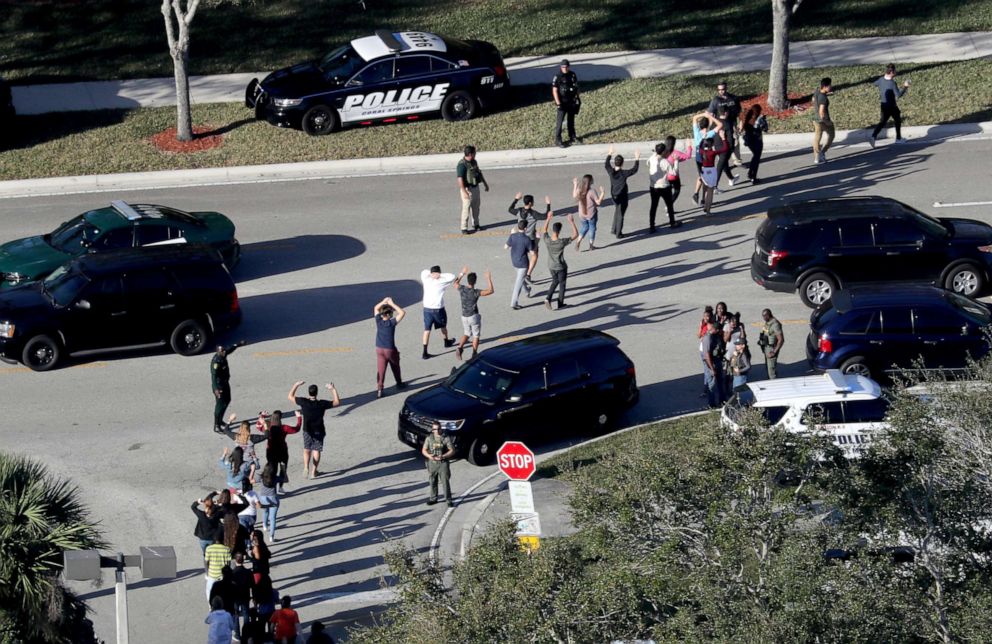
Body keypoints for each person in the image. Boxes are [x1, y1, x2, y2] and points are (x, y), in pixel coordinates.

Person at [288, 380, 341, 479]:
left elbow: (290, 396)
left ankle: (305, 467)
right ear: (317, 393)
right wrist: (332, 389)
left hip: (307, 430)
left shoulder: (304, 402)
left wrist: (296, 385)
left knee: (306, 449)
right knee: (316, 450)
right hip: (319, 430)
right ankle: (314, 471)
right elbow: (337, 402)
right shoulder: (322, 404)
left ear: (309, 392)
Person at [508, 193, 551, 282]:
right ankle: (528, 274)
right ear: (530, 203)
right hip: (530, 239)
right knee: (535, 255)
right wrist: (548, 204)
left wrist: (516, 199)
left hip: (520, 237)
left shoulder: (519, 211)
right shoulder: (533, 214)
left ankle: (522, 271)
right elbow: (545, 215)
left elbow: (510, 209)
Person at [420, 265, 460, 359]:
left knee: (427, 330)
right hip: (438, 309)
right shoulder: (442, 281)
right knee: (443, 326)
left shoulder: (426, 279)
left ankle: (424, 352)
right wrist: (440, 275)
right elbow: (452, 276)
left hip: (427, 309)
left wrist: (431, 274)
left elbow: (424, 271)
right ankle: (446, 341)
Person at [453, 270, 494, 361]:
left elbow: (455, 283)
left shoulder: (462, 289)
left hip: (464, 316)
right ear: (475, 281)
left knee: (466, 333)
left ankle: (460, 347)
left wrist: (462, 273)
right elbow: (491, 291)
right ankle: (474, 353)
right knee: (476, 335)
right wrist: (488, 278)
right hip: (473, 316)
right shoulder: (476, 292)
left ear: (468, 281)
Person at [705, 80, 743, 180]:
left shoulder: (734, 98)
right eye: (719, 90)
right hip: (719, 128)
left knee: (731, 147)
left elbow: (739, 112)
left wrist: (740, 123)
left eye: (723, 89)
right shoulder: (716, 100)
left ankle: (733, 166)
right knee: (723, 153)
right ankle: (722, 175)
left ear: (726, 88)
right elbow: (710, 113)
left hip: (731, 126)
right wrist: (709, 128)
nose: (721, 91)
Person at [542, 210, 578, 310]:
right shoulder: (561, 242)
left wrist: (548, 218)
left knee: (554, 281)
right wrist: (572, 221)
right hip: (561, 266)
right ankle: (560, 303)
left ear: (552, 230)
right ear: (559, 231)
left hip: (551, 266)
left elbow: (544, 230)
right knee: (562, 284)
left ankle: (548, 298)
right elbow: (575, 234)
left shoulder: (547, 240)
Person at [257, 410, 300, 494]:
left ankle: (271, 487)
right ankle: (280, 487)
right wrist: (299, 417)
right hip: (282, 452)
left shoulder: (268, 427)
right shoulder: (284, 428)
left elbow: (258, 426)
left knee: (272, 470)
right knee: (283, 469)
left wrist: (261, 416)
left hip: (270, 452)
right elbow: (296, 429)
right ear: (280, 418)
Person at [372, 296, 407, 398]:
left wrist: (383, 301)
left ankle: (379, 389)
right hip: (390, 349)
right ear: (389, 314)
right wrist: (392, 303)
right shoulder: (391, 323)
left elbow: (375, 308)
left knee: (381, 370)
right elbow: (402, 312)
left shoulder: (378, 321)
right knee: (395, 366)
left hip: (379, 348)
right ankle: (399, 383)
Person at [869, 63, 910, 147]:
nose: (896, 72)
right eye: (895, 70)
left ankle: (873, 136)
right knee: (897, 120)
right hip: (892, 106)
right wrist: (905, 87)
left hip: (883, 105)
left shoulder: (880, 80)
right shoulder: (892, 83)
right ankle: (898, 139)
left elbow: (874, 83)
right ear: (891, 72)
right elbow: (898, 95)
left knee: (882, 122)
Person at [605, 145, 640, 239]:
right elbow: (634, 170)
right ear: (622, 163)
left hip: (613, 196)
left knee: (617, 210)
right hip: (622, 197)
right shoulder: (624, 173)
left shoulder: (611, 172)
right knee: (621, 214)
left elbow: (606, 164)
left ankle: (613, 229)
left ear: (615, 163)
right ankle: (618, 233)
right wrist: (637, 158)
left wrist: (610, 153)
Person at [211, 340, 246, 433]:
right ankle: (216, 425)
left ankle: (220, 420)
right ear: (217, 351)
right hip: (219, 387)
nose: (224, 351)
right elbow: (213, 377)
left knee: (227, 401)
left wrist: (238, 344)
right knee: (220, 406)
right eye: (222, 351)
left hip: (225, 383)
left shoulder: (223, 354)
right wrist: (216, 389)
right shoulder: (216, 362)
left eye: (223, 350)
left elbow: (229, 350)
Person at [456, 145, 489, 234]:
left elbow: (479, 172)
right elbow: (460, 179)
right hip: (467, 189)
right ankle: (464, 228)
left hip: (475, 187)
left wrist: (485, 184)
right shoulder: (461, 165)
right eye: (474, 153)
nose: (475, 154)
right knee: (466, 209)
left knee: (476, 208)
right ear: (470, 154)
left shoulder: (474, 162)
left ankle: (476, 224)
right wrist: (464, 191)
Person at [422, 421, 456, 507]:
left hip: (442, 463)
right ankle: (433, 498)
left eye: (438, 429)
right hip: (432, 463)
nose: (437, 431)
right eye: (435, 429)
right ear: (432, 430)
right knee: (432, 481)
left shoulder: (445, 438)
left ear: (441, 428)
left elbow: (452, 450)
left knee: (445, 481)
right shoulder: (429, 438)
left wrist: (443, 456)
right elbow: (424, 450)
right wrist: (430, 456)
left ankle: (448, 500)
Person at [505, 220, 536, 309]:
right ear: (526, 228)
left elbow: (506, 247)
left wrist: (511, 235)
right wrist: (536, 241)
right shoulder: (527, 239)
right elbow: (533, 253)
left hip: (514, 261)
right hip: (523, 263)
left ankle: (527, 291)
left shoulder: (512, 236)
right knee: (518, 284)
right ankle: (513, 303)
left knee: (520, 278)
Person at [690, 114, 720, 205]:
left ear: (700, 125)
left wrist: (705, 114)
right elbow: (720, 125)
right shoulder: (710, 133)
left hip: (698, 156)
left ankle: (699, 196)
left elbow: (694, 118)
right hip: (707, 157)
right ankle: (701, 197)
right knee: (705, 178)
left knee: (702, 175)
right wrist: (712, 117)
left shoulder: (697, 132)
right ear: (708, 125)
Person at [698, 133, 729, 215]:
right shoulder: (713, 152)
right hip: (711, 171)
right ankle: (708, 211)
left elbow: (699, 146)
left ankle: (704, 205)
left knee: (705, 189)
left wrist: (702, 139)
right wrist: (723, 138)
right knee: (710, 192)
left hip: (704, 171)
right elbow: (725, 148)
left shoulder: (702, 151)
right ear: (712, 145)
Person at [552, 59, 580, 147]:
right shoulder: (558, 76)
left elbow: (576, 86)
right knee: (560, 122)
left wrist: (577, 97)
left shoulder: (572, 74)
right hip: (562, 103)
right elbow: (554, 90)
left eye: (566, 67)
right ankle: (558, 140)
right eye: (563, 67)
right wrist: (558, 103)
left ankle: (572, 136)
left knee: (571, 121)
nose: (565, 68)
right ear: (561, 67)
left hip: (571, 101)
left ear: (569, 67)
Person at [572, 175, 605, 251]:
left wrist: (575, 184)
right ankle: (591, 245)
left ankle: (578, 241)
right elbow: (598, 202)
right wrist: (602, 193)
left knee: (584, 227)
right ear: (591, 182)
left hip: (582, 214)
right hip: (591, 215)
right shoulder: (592, 191)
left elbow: (574, 196)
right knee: (592, 228)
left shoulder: (580, 190)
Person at [254, 461, 283, 543]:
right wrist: (283, 470)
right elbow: (284, 479)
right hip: (273, 499)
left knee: (265, 511)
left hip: (263, 499)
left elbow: (253, 480)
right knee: (273, 518)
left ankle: (265, 526)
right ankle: (271, 536)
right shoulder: (275, 478)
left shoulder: (261, 477)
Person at [700, 321, 725, 408]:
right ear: (716, 329)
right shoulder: (707, 338)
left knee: (720, 383)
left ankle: (722, 401)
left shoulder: (716, 336)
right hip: (711, 364)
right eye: (719, 330)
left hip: (717, 361)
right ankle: (712, 404)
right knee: (712, 385)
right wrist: (712, 369)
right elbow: (707, 355)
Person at [663, 135, 693, 207]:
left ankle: (669, 209)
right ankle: (668, 206)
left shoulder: (663, 152)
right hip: (674, 176)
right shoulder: (675, 152)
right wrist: (689, 146)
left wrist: (678, 160)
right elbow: (688, 156)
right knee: (677, 191)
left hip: (665, 176)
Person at [741, 104, 769, 182]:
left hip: (749, 140)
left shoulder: (747, 119)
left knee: (754, 157)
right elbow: (765, 129)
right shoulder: (759, 119)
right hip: (757, 140)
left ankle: (750, 173)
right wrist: (764, 120)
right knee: (756, 159)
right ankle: (753, 176)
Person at [230, 552, 254, 638]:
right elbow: (252, 585)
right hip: (245, 595)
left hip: (235, 597)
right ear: (243, 561)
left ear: (235, 561)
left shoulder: (232, 573)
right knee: (246, 613)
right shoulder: (248, 572)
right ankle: (246, 633)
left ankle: (237, 634)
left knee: (235, 615)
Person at [812, 77, 834, 164]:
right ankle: (822, 153)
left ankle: (816, 157)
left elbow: (813, 100)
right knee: (831, 135)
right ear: (824, 86)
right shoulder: (823, 98)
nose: (831, 87)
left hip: (816, 119)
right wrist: (826, 121)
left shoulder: (817, 91)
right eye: (829, 86)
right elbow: (821, 112)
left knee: (817, 137)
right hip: (823, 120)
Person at [204, 534, 231, 601]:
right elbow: (228, 563)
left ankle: (210, 606)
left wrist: (207, 573)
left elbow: (206, 562)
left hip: (212, 575)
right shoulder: (226, 549)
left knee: (209, 591)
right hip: (222, 575)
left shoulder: (208, 549)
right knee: (223, 592)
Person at [760, 308, 784, 379]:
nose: (763, 318)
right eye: (763, 316)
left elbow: (781, 340)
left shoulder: (775, 325)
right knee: (768, 368)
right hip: (766, 347)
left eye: (764, 316)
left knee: (771, 371)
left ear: (768, 315)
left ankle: (773, 384)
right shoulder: (768, 323)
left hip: (771, 349)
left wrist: (774, 351)